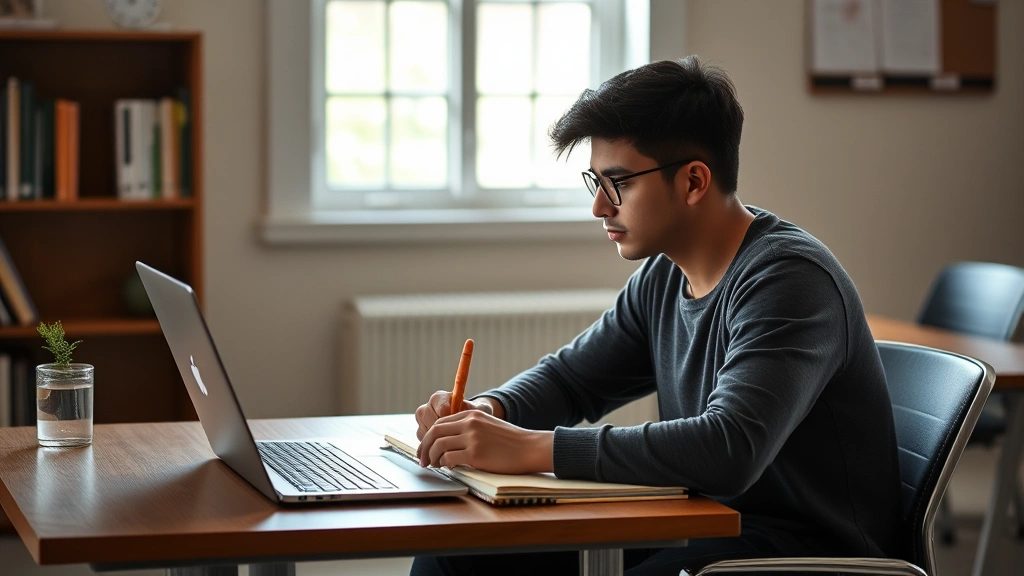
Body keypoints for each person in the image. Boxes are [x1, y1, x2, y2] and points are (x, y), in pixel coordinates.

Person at [410, 56, 903, 576]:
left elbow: (728, 448)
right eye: (594, 181)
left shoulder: (790, 281)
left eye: (618, 182)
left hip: (798, 554)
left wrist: (532, 449)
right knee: (457, 556)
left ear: (693, 182)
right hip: (698, 524)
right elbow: (573, 378)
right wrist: (490, 412)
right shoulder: (665, 276)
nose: (600, 207)